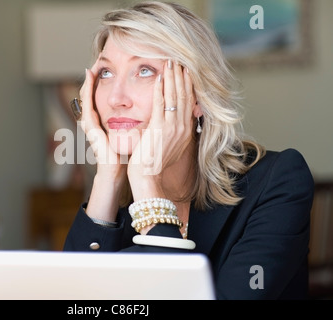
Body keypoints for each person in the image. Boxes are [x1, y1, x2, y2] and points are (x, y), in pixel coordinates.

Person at [63, 1, 314, 300]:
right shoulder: (115, 205)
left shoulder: (279, 181)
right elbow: (76, 302)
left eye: (144, 70)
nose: (116, 98)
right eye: (105, 73)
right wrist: (108, 176)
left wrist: (148, 182)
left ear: (195, 94)